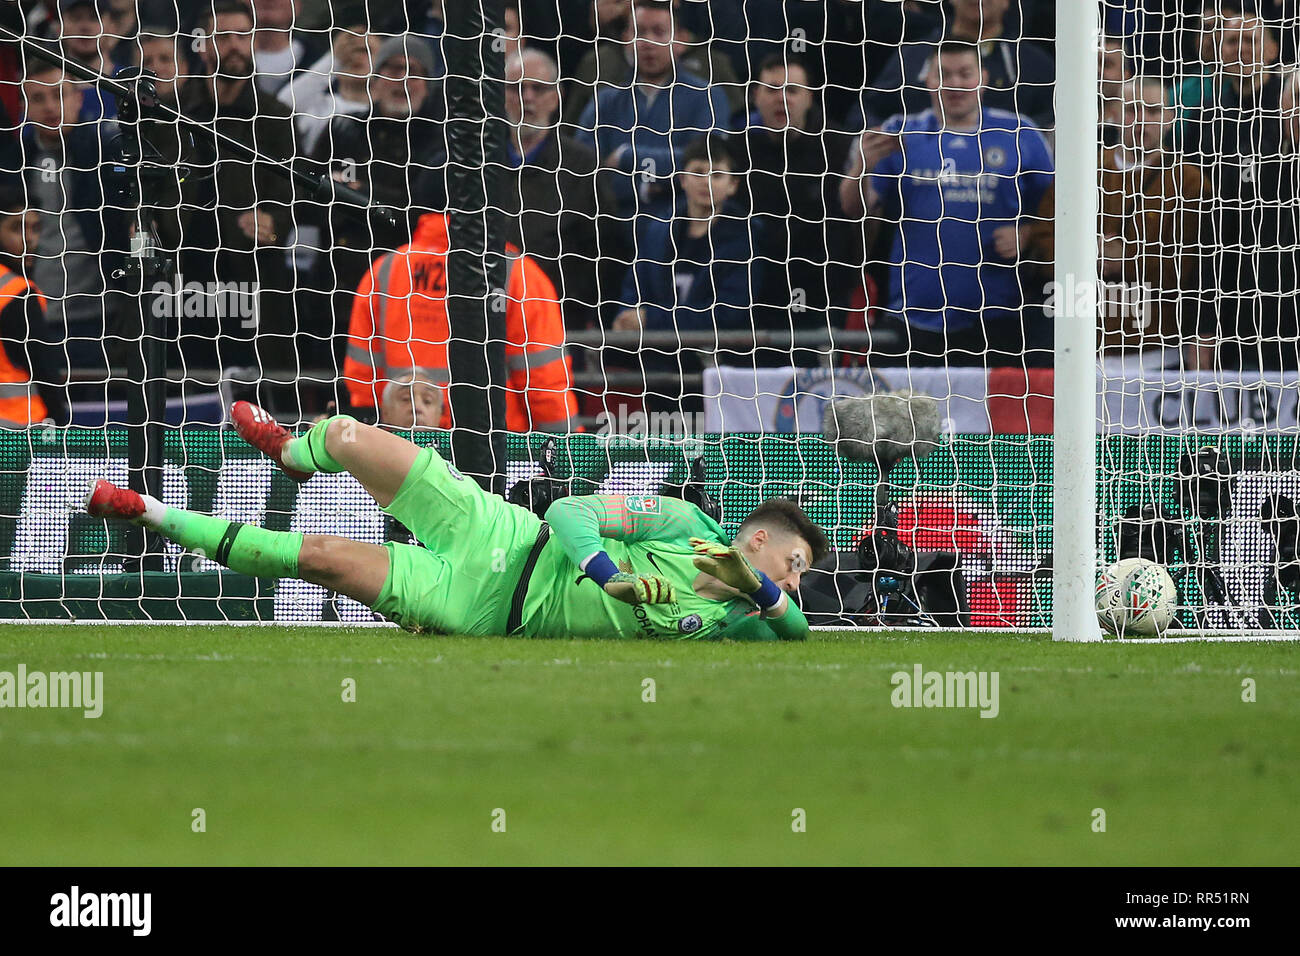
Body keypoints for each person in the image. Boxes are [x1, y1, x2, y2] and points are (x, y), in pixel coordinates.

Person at [85, 400, 829, 641]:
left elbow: (796, 634)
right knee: (347, 435)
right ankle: (293, 451)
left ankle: (149, 511)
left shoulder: (747, 619)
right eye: (794, 563)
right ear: (757, 538)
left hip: (478, 608)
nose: (793, 583)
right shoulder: (681, 520)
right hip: (501, 532)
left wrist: (760, 594)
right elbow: (570, 510)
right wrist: (610, 577)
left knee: (319, 557)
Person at [841, 41, 1054, 367]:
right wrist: (862, 167)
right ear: (928, 80)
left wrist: (1027, 234)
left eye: (965, 74)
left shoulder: (1020, 132)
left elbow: (1060, 212)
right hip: (912, 315)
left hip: (998, 318)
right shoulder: (901, 132)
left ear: (983, 78)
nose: (955, 83)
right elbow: (854, 209)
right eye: (945, 74)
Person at [342, 207, 577, 433]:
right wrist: (569, 457)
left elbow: (363, 379)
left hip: (404, 446)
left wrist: (370, 436)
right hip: (494, 446)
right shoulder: (518, 274)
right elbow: (545, 383)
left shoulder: (386, 270)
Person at [611, 133, 759, 410]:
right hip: (660, 373)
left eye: (717, 175)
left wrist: (651, 319)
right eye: (699, 173)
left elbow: (729, 313)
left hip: (721, 378)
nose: (706, 182)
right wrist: (626, 314)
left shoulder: (747, 237)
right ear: (682, 179)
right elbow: (635, 285)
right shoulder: (657, 231)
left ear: (733, 185)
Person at [740, 53, 856, 366]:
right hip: (756, 299)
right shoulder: (738, 150)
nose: (782, 99)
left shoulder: (840, 146)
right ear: (755, 96)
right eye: (772, 89)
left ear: (810, 97)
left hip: (823, 296)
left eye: (792, 90)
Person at [572, 0, 734, 221]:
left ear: (680, 40)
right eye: (639, 32)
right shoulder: (604, 101)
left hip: (681, 228)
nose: (647, 42)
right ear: (626, 38)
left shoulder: (707, 96)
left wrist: (625, 156)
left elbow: (706, 167)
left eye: (658, 32)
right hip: (610, 229)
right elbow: (582, 171)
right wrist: (651, 185)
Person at [503, 47, 622, 333]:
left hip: (558, 322)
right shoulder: (474, 162)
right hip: (483, 321)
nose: (527, 97)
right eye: (516, 87)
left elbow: (605, 250)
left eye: (538, 89)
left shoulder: (583, 166)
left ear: (557, 96)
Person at [0, 182, 69, 427]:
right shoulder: (18, 293)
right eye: (17, 229)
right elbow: (44, 370)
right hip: (19, 428)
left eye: (36, 228)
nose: (30, 239)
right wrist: (60, 424)